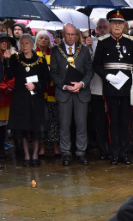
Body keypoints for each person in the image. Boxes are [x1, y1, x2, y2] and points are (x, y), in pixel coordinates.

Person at [92, 9, 133, 165]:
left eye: (120, 23)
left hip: (128, 89)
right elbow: (96, 65)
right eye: (114, 23)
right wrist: (107, 76)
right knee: (113, 121)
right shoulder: (103, 42)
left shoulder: (131, 43)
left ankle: (125, 153)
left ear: (124, 25)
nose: (117, 26)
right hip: (110, 88)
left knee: (126, 121)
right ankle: (114, 153)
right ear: (109, 24)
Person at [50, 23, 94, 166]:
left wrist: (82, 84)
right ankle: (66, 153)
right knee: (64, 124)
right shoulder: (56, 50)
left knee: (81, 124)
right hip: (64, 93)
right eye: (68, 34)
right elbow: (54, 73)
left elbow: (89, 70)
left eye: (73, 34)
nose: (71, 37)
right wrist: (64, 86)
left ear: (77, 35)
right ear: (63, 34)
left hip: (81, 92)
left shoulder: (84, 50)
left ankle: (81, 152)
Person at [6, 34, 50, 167]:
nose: (24, 46)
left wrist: (35, 85)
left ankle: (35, 155)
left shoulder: (40, 60)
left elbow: (47, 80)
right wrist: (7, 61)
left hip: (36, 98)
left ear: (32, 45)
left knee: (36, 128)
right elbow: (9, 76)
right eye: (22, 43)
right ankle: (26, 155)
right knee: (23, 127)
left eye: (26, 43)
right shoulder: (15, 59)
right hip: (20, 98)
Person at [35, 31, 61, 158]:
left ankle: (55, 145)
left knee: (54, 119)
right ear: (37, 40)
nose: (43, 40)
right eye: (41, 38)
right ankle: (42, 146)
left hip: (53, 91)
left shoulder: (54, 53)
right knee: (41, 120)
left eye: (46, 38)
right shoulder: (34, 53)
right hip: (39, 92)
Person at [88, 18, 110, 160]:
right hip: (96, 89)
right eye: (99, 27)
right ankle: (102, 150)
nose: (102, 29)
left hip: (111, 89)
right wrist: (88, 48)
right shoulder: (91, 42)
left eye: (104, 27)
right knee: (99, 122)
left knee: (111, 122)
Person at [0, 33, 15, 162]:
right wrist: (5, 87)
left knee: (4, 124)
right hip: (1, 93)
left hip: (8, 96)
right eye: (2, 41)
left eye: (7, 42)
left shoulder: (11, 56)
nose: (5, 44)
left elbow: (12, 74)